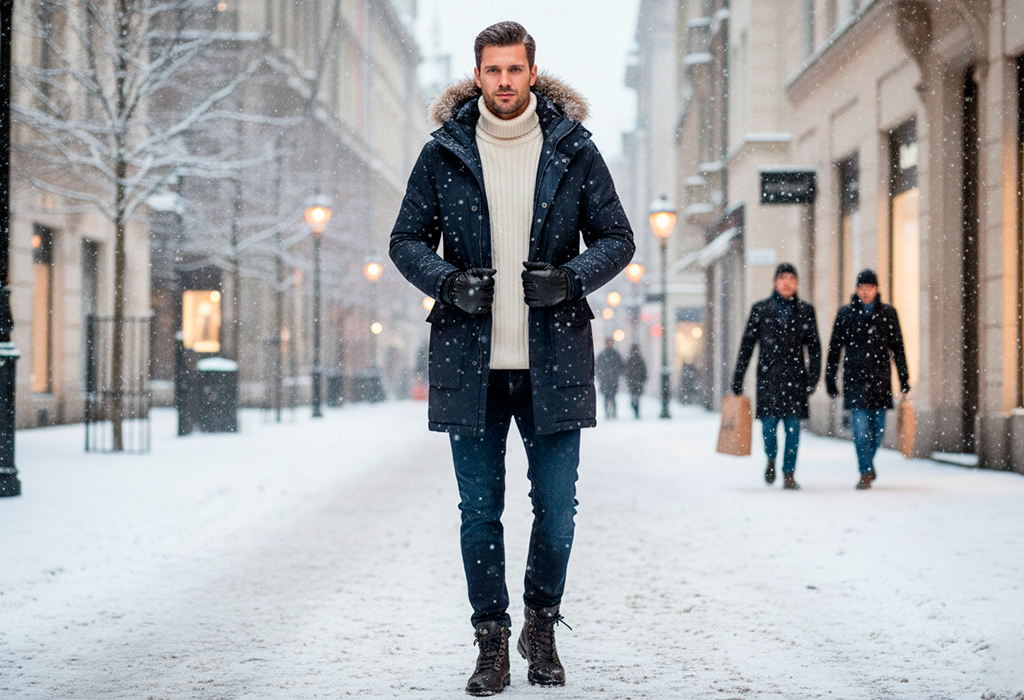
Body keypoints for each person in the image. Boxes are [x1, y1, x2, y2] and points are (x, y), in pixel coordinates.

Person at [389, 21, 634, 696]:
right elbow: (406, 240)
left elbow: (617, 237)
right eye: (492, 70)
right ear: (477, 76)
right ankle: (491, 642)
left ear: (533, 73)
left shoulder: (573, 150)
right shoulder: (443, 152)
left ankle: (541, 624)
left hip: (553, 361)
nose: (503, 82)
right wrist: (446, 280)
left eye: (514, 70)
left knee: (559, 510)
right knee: (479, 512)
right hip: (470, 367)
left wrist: (570, 277)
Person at [731, 263, 822, 490]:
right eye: (782, 278)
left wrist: (813, 377)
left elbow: (815, 347)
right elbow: (747, 346)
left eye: (791, 278)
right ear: (775, 282)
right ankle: (771, 458)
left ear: (796, 283)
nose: (787, 283)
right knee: (769, 430)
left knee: (793, 431)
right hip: (769, 380)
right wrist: (738, 377)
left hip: (795, 380)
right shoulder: (760, 310)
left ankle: (789, 473)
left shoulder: (805, 311)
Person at [825, 269, 910, 490]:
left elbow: (898, 348)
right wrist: (830, 379)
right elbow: (835, 349)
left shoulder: (888, 313)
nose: (866, 291)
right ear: (856, 289)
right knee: (860, 432)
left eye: (870, 287)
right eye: (862, 287)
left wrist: (904, 379)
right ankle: (864, 472)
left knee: (878, 431)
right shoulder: (845, 314)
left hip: (880, 381)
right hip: (854, 382)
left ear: (877, 289)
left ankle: (868, 463)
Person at [595, 338, 624, 418]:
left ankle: (613, 412)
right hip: (605, 380)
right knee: (606, 397)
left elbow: (621, 367)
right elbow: (597, 367)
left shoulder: (615, 355)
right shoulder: (602, 355)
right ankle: (607, 413)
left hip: (612, 380)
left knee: (612, 397)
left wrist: (616, 374)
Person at [624, 343, 648, 418]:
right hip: (637, 381)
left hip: (634, 381)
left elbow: (626, 371)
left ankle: (635, 408)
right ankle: (636, 409)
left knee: (634, 396)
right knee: (636, 396)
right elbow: (644, 371)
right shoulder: (639, 359)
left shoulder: (631, 359)